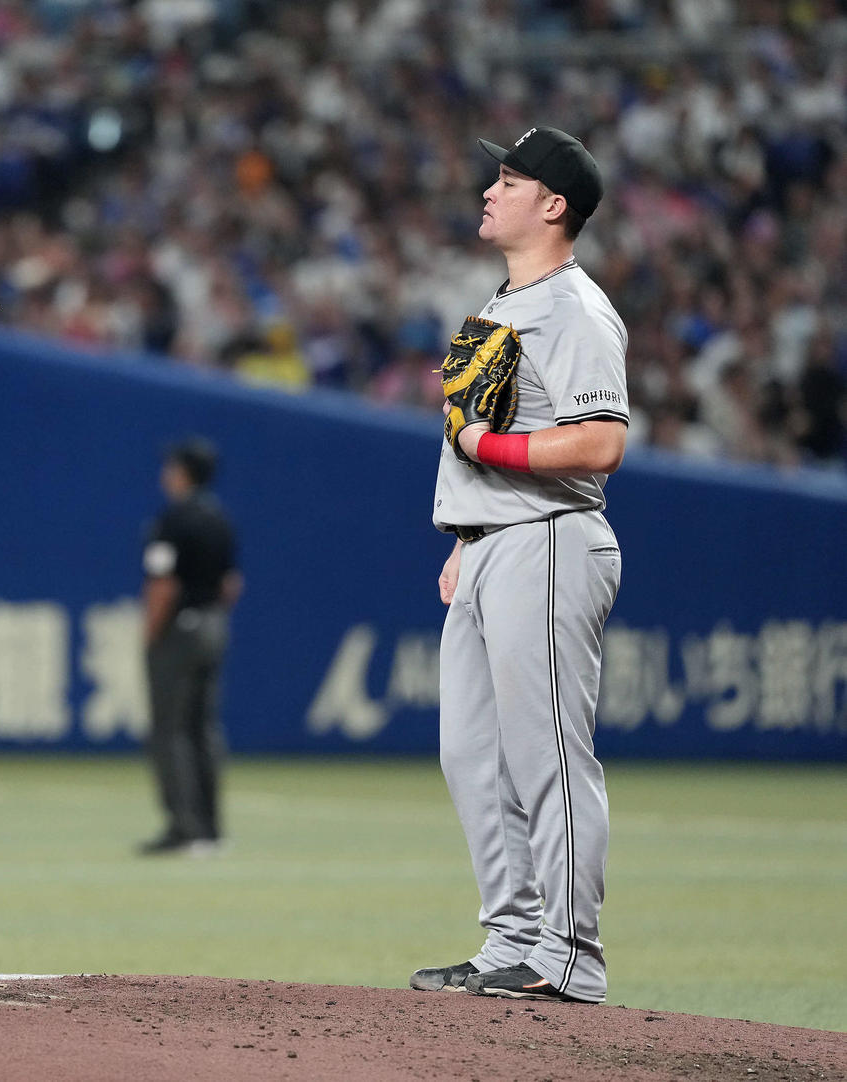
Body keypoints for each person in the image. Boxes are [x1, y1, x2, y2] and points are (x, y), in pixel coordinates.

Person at [409, 127, 628, 1003]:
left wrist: (487, 446)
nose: (490, 190)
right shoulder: (508, 303)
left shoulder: (573, 307)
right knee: (470, 755)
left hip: (548, 535)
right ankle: (512, 941)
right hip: (493, 543)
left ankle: (570, 954)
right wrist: (468, 541)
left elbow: (603, 441)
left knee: (548, 757)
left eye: (510, 179)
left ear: (554, 205)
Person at [138, 437, 242, 855]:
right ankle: (211, 828)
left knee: (172, 729)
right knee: (204, 728)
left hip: (180, 630)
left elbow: (164, 584)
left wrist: (151, 634)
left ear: (182, 472)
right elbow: (231, 584)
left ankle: (185, 828)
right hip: (214, 625)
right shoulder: (220, 519)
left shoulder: (174, 520)